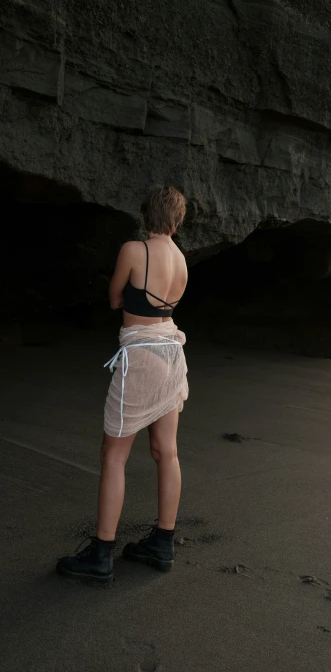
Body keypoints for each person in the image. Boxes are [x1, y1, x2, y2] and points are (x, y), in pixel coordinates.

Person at [57, 185, 189, 584]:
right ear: (176, 219)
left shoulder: (135, 250)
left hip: (142, 357)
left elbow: (116, 299)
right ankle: (162, 544)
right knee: (166, 452)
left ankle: (101, 555)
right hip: (172, 354)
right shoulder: (182, 260)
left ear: (145, 213)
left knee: (113, 456)